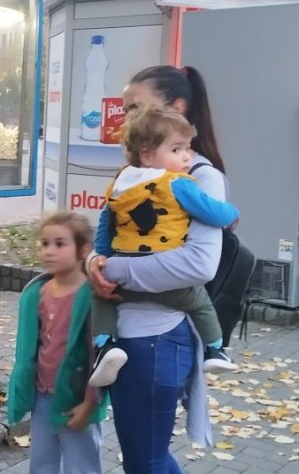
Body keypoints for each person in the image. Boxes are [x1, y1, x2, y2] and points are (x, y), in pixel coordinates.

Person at [88, 65, 224, 474]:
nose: (124, 116)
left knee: (144, 470)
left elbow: (198, 264)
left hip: (156, 337)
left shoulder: (199, 177)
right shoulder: (139, 171)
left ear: (174, 108)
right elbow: (107, 234)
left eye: (134, 107)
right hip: (136, 334)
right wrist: (93, 263)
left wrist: (114, 270)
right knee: (152, 460)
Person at [87, 105, 239, 388]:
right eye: (177, 149)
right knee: (200, 302)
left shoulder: (120, 183)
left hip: (121, 283)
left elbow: (106, 225)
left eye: (187, 148)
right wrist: (231, 213)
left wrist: (102, 260)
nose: (187, 156)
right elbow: (211, 212)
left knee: (100, 298)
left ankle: (105, 346)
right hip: (169, 282)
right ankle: (215, 349)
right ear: (147, 154)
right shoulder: (177, 183)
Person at [7, 211, 109, 474]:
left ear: (83, 249)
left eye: (60, 244)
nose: (49, 251)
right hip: (42, 397)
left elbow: (99, 357)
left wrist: (90, 402)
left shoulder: (93, 297)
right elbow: (29, 348)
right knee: (41, 470)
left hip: (77, 400)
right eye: (45, 243)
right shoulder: (37, 292)